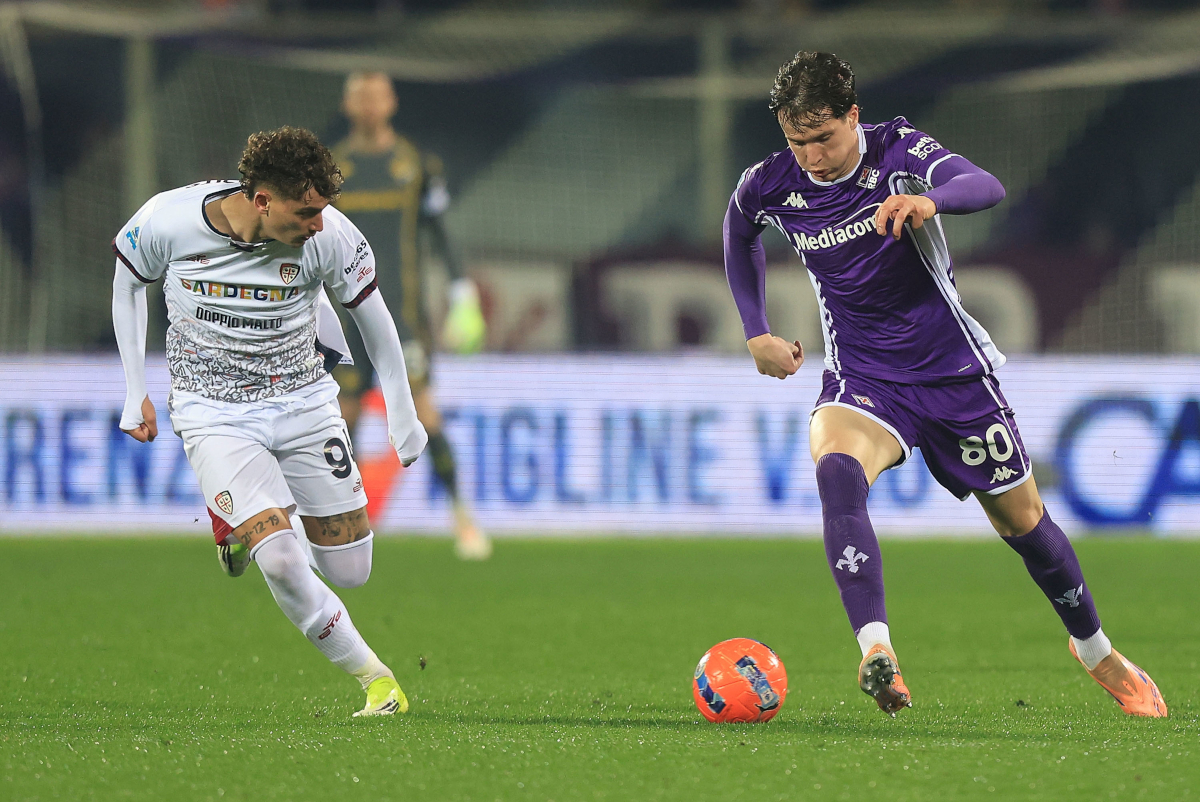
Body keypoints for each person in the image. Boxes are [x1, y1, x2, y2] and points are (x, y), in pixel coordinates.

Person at [723, 52, 1166, 718]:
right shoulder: (771, 183)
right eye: (797, 141)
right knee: (836, 469)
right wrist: (755, 328)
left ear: (853, 115)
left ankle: (1096, 649)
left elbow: (984, 185)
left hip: (953, 374)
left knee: (1024, 524)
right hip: (864, 375)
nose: (811, 155)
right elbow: (739, 233)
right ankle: (877, 650)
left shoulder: (900, 151)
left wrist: (931, 200)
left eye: (823, 138)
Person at [112, 126, 427, 717]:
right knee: (281, 559)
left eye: (323, 211)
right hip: (214, 412)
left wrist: (402, 413)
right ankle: (377, 679)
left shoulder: (331, 235)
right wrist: (137, 391)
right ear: (261, 199)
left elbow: (378, 325)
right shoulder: (168, 220)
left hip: (305, 400)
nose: (317, 223)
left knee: (350, 569)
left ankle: (242, 520)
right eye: (306, 211)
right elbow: (128, 283)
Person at [331, 71, 490, 560]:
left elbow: (440, 232)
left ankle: (462, 518)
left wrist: (462, 292)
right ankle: (342, 524)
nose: (370, 103)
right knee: (341, 420)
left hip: (403, 317)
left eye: (377, 94)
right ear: (347, 104)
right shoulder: (331, 167)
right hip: (344, 318)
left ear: (391, 101)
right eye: (361, 95)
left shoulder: (416, 164)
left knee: (426, 413)